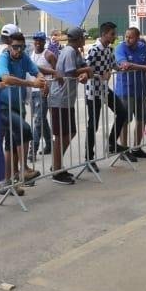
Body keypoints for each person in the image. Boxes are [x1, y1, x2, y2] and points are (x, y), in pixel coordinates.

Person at [0, 32, 46, 194]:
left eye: (22, 47)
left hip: (18, 106)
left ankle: (7, 182)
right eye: (16, 47)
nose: (19, 50)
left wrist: (43, 81)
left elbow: (36, 71)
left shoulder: (23, 58)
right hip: (2, 107)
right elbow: (6, 79)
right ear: (9, 46)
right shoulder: (4, 58)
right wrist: (32, 83)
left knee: (10, 144)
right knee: (25, 130)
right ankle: (23, 169)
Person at [48, 27, 92, 184]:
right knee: (62, 135)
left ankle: (57, 165)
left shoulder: (76, 51)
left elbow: (83, 70)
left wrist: (85, 73)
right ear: (78, 38)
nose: (85, 40)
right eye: (83, 37)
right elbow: (71, 71)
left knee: (70, 133)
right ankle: (57, 169)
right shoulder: (69, 52)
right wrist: (86, 70)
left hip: (67, 100)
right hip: (59, 99)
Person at [84, 22, 130, 163]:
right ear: (104, 34)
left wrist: (121, 67)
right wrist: (99, 76)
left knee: (122, 112)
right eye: (112, 34)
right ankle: (89, 157)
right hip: (93, 91)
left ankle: (112, 142)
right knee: (94, 124)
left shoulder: (109, 49)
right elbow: (85, 68)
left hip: (104, 89)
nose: (114, 36)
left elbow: (112, 65)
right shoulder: (94, 49)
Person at [114, 27, 146, 158]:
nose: (127, 39)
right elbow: (125, 65)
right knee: (125, 120)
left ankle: (137, 148)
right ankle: (124, 150)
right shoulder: (120, 48)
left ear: (137, 38)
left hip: (141, 89)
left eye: (130, 37)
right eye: (126, 36)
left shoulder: (142, 47)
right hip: (125, 89)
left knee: (143, 118)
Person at [28, 32, 56, 160]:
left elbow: (57, 73)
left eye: (40, 40)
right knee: (41, 119)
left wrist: (49, 87)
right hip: (33, 91)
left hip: (43, 92)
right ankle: (50, 144)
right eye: (35, 40)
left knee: (38, 121)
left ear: (45, 42)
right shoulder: (31, 54)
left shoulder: (49, 55)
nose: (37, 42)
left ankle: (32, 150)